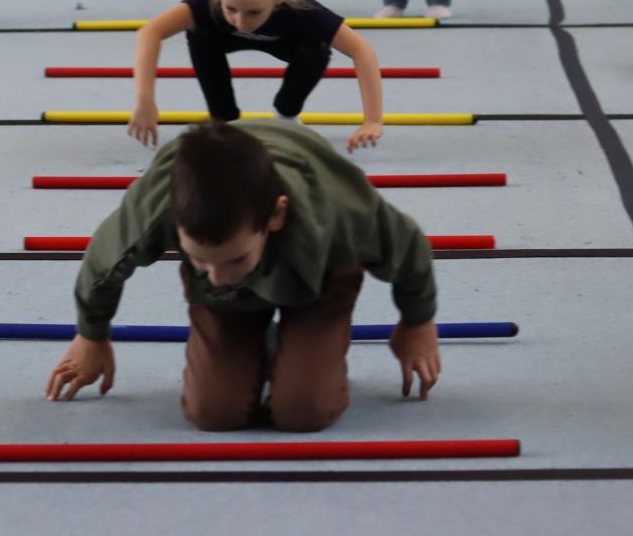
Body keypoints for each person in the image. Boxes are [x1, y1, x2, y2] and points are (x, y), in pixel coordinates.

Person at [43, 119, 441, 432]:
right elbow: (103, 264)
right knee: (213, 414)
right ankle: (259, 335)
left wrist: (417, 322)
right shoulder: (158, 205)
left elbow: (409, 247)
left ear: (277, 215)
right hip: (235, 293)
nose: (217, 278)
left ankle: (294, 341)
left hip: (319, 276)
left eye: (233, 259)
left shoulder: (340, 211)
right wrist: (92, 335)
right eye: (200, 260)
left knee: (303, 414)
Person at [126, 0, 385, 155]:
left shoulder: (300, 9)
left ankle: (287, 113)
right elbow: (150, 32)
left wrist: (372, 120)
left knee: (317, 48)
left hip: (287, 40)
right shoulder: (212, 0)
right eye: (231, 8)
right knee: (199, 32)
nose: (240, 21)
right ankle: (224, 118)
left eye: (253, 11)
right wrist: (145, 100)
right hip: (219, 38)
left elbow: (362, 52)